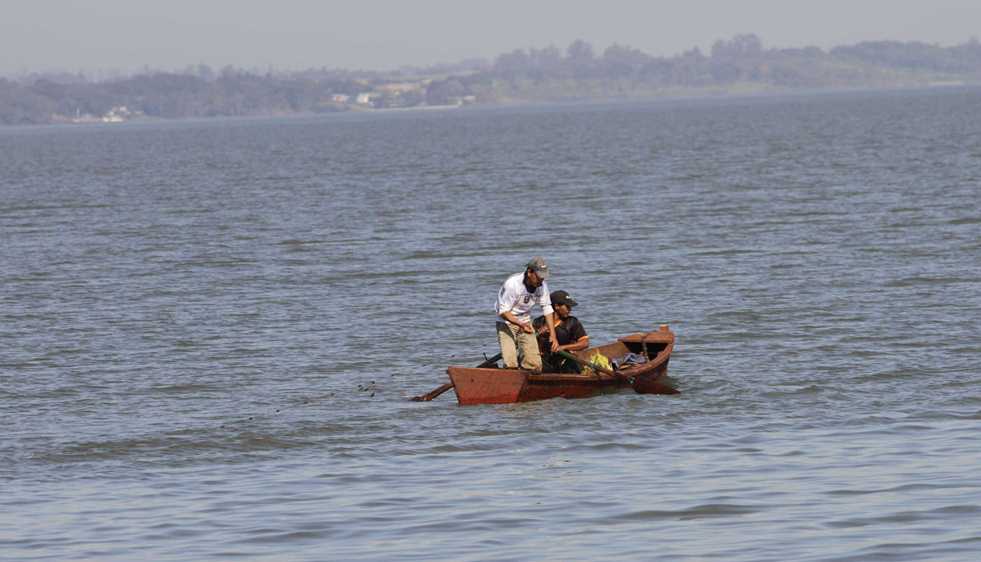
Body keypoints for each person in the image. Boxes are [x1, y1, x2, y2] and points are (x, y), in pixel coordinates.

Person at [495, 257, 558, 372]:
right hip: (506, 322)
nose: (541, 281)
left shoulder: (542, 286)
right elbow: (503, 312)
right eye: (539, 277)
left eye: (543, 277)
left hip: (525, 321)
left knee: (535, 366)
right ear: (530, 272)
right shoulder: (513, 284)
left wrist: (553, 336)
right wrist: (520, 325)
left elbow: (547, 309)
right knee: (511, 364)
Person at [534, 290, 589, 372]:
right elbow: (531, 343)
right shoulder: (539, 322)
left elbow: (585, 343)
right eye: (567, 306)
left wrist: (563, 347)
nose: (570, 309)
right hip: (545, 362)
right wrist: (539, 335)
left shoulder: (572, 322)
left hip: (566, 360)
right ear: (556, 306)